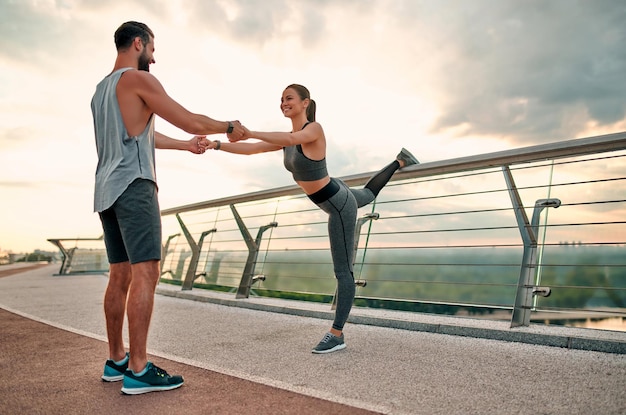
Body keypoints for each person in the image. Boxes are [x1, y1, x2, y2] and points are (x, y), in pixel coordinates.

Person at [92, 21, 244, 394]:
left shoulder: (100, 91)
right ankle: (140, 369)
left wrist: (184, 145)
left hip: (106, 190)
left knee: (120, 275)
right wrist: (228, 126)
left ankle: (117, 360)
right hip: (134, 185)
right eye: (153, 50)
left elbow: (141, 133)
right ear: (139, 43)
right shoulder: (138, 80)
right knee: (147, 272)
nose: (154, 58)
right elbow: (189, 117)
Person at [208, 84, 418, 353]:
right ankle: (400, 161)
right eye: (281, 99)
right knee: (366, 193)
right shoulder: (287, 138)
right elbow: (251, 150)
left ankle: (337, 333)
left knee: (344, 272)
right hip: (335, 190)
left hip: (338, 205)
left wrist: (248, 131)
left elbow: (289, 138)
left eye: (289, 98)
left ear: (306, 102)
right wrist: (216, 144)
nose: (284, 103)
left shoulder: (313, 130)